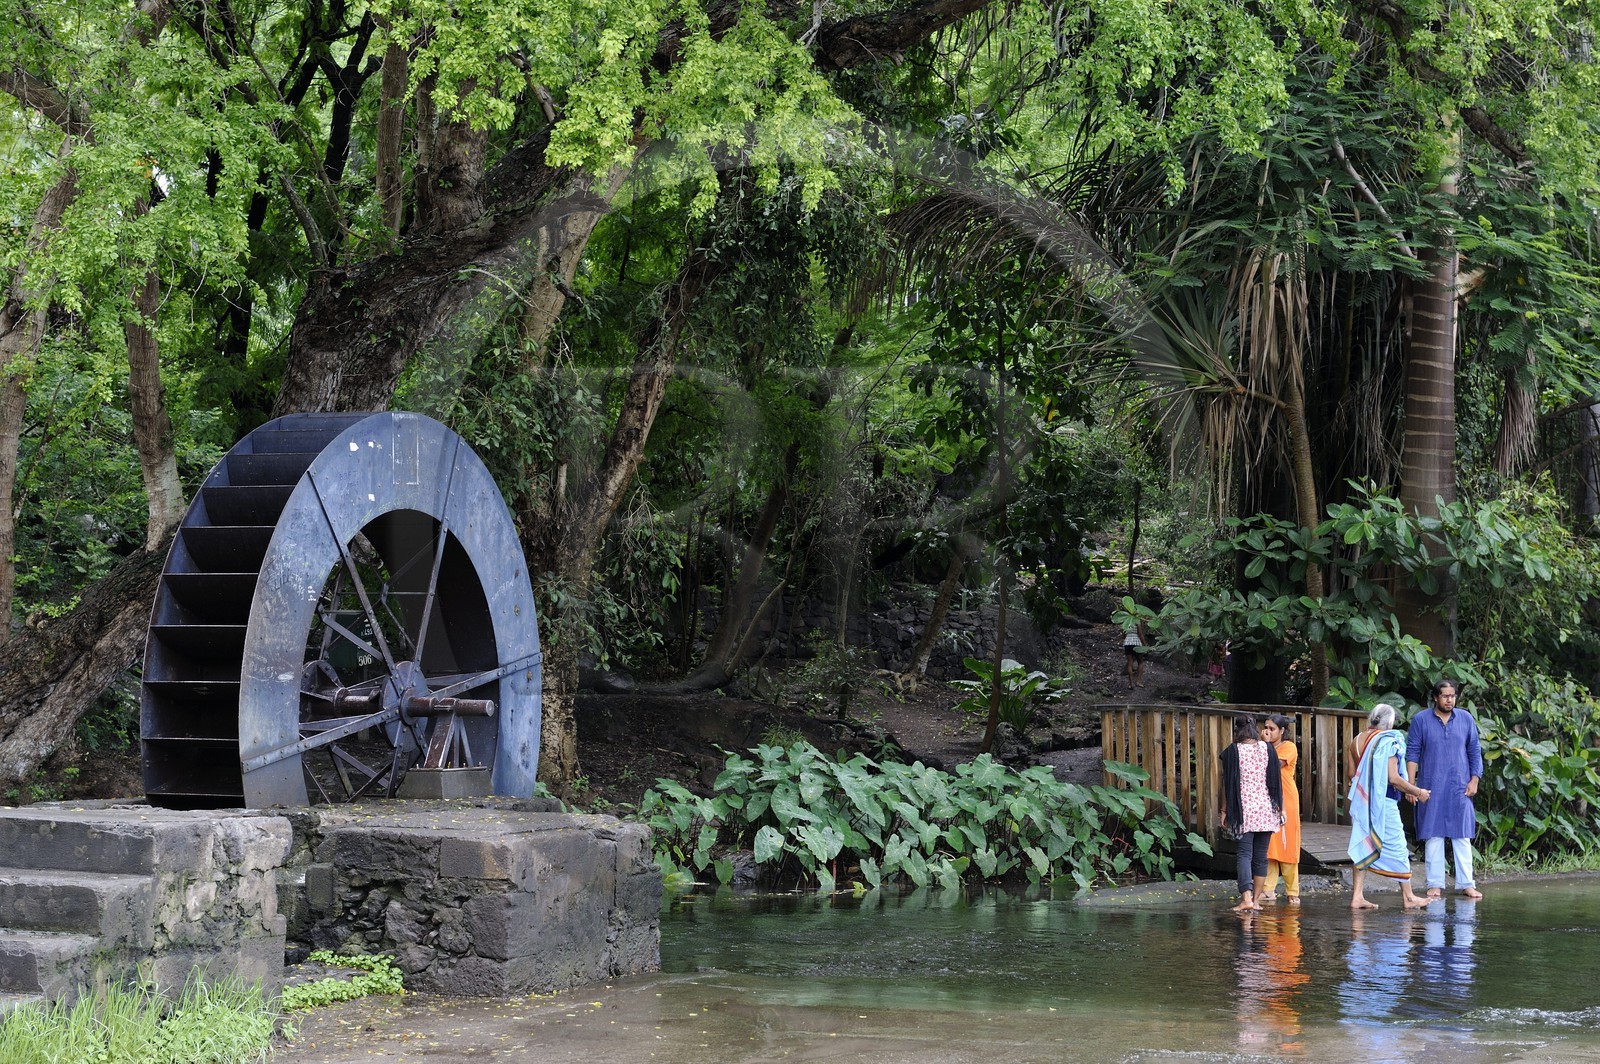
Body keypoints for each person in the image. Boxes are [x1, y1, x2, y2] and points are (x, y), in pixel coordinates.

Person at [1346, 703, 1435, 910]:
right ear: (1390, 722)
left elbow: (1352, 774)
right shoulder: (1389, 740)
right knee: (1398, 846)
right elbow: (1393, 778)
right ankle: (1409, 897)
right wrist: (1417, 792)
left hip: (1362, 803)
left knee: (1363, 844)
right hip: (1383, 802)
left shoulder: (1356, 741)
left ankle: (1357, 896)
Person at [1406, 679, 1484, 900]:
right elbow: (1412, 753)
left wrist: (1475, 779)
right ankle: (1435, 885)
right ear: (1435, 697)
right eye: (1445, 696)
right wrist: (1411, 786)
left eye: (1453, 696)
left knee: (1462, 835)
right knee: (1433, 835)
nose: (1449, 700)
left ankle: (1467, 884)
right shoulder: (1421, 720)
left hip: (1460, 785)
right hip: (1430, 786)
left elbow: (1474, 751)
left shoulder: (1466, 718)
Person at [1220, 715, 1284, 912]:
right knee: (1260, 857)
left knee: (1244, 854)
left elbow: (1228, 785)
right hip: (1266, 809)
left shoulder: (1232, 752)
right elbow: (1275, 781)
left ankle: (1246, 898)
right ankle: (1256, 901)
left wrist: (1224, 810)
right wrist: (1279, 808)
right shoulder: (1268, 749)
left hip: (1244, 810)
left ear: (1236, 730)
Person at [1259, 713, 1301, 905]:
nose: (1267, 731)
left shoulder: (1289, 747)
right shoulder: (1264, 746)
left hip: (1287, 800)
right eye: (1266, 727)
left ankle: (1292, 892)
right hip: (1268, 799)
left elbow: (1273, 765)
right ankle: (1268, 889)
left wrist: (1265, 745)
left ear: (1282, 731)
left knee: (1288, 844)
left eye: (1272, 729)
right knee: (1270, 845)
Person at [1123, 619, 1150, 689]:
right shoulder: (1137, 621)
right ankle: (1138, 681)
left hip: (1127, 643)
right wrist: (1145, 645)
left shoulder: (1125, 620)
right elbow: (1140, 634)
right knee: (1140, 662)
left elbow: (1123, 633)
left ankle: (1131, 683)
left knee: (1130, 664)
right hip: (1136, 643)